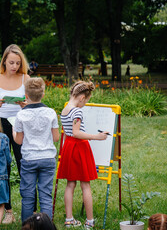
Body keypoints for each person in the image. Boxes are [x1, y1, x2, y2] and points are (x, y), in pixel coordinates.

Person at [0, 44, 31, 223]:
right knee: (2, 168)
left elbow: (33, 101)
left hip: (20, 124)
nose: (14, 66)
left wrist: (26, 104)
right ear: (4, 60)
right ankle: (8, 210)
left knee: (24, 166)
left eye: (18, 63)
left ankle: (30, 210)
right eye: (11, 62)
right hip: (1, 124)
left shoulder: (25, 78)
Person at [57, 80, 108, 229]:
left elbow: (67, 133)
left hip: (69, 147)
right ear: (81, 98)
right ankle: (90, 221)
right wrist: (96, 136)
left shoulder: (65, 108)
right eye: (86, 101)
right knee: (85, 185)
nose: (84, 104)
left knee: (70, 184)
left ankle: (69, 219)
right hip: (79, 148)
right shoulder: (77, 111)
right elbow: (76, 132)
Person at [12, 77, 59, 222]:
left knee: (28, 195)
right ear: (43, 94)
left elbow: (18, 140)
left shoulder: (21, 115)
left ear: (26, 95)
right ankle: (46, 226)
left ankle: (28, 226)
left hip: (29, 158)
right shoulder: (51, 112)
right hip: (47, 158)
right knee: (45, 194)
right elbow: (56, 137)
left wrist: (14, 130)